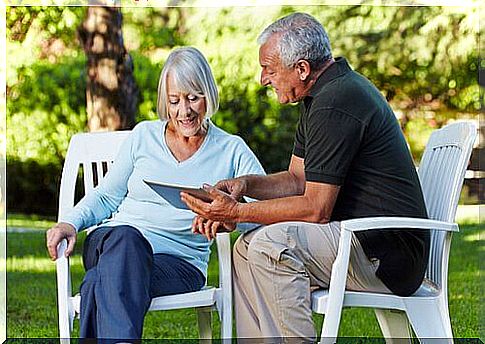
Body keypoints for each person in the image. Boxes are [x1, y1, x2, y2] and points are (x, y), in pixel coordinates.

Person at [181, 13, 429, 341]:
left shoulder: (337, 101)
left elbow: (316, 209)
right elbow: (297, 180)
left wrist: (236, 212)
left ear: (301, 68)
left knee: (272, 244)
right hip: (359, 241)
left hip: (385, 254)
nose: (262, 79)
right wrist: (245, 185)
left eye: (269, 69)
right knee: (245, 249)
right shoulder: (319, 98)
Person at [46, 46, 265, 343]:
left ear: (209, 96)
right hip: (113, 243)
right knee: (127, 240)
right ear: (165, 100)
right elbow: (107, 196)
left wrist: (230, 216)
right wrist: (69, 223)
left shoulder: (232, 150)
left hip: (178, 265)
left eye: (193, 98)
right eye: (174, 100)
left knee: (101, 281)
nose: (184, 111)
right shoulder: (143, 136)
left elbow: (263, 213)